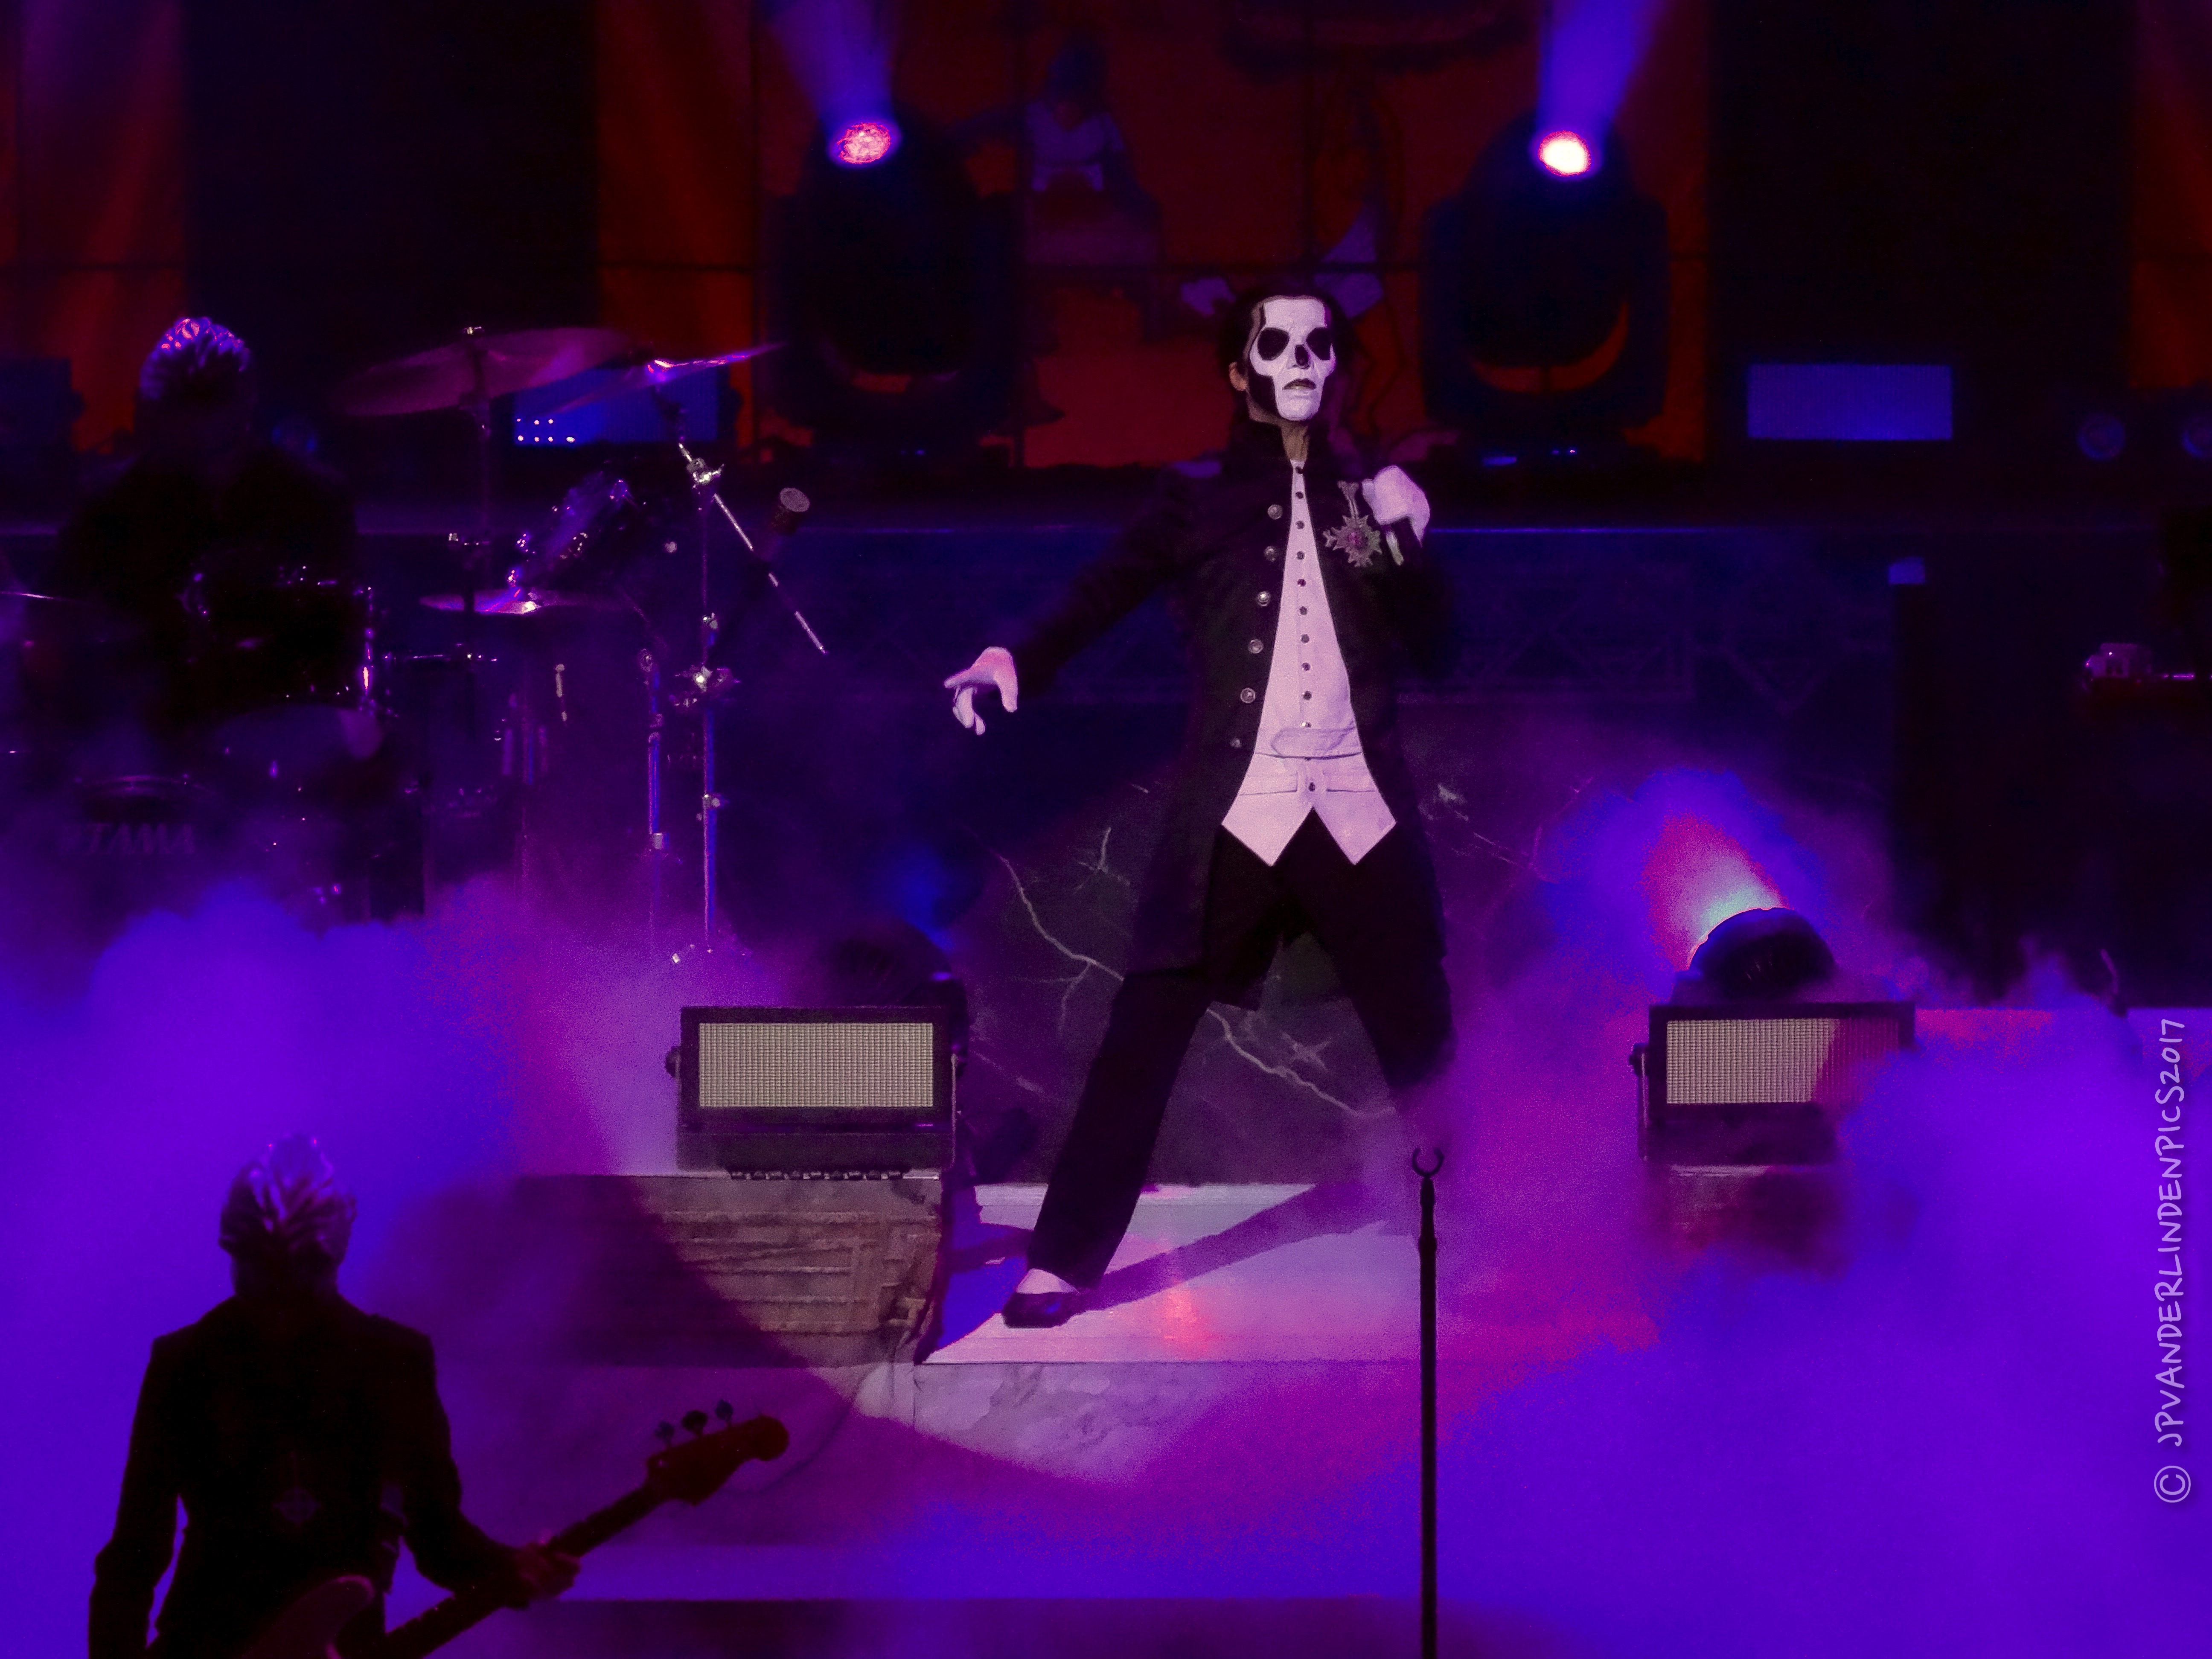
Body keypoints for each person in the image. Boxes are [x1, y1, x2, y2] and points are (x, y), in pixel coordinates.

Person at [943, 281, 1458, 1328]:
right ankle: (1065, 1258)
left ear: (1338, 367)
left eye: (1320, 344)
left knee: (1422, 1031)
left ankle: (1482, 1217)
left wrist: (1411, 541)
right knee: (1145, 1029)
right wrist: (1017, 657)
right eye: (1277, 344)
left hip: (1358, 808)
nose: (1302, 361)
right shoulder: (1195, 499)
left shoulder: (1370, 501)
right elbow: (1102, 591)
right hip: (1236, 810)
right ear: (1238, 370)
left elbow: (1438, 649)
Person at [89, 1137, 576, 1659]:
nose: (277, 1298)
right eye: (259, 1270)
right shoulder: (186, 1363)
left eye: (295, 1274)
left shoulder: (393, 1362)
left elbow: (437, 1536)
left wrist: (511, 1569)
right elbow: (136, 1552)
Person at [43, 318, 358, 765]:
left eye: (208, 399)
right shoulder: (110, 504)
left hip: (282, 733)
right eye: (181, 402)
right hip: (142, 737)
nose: (195, 421)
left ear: (246, 399)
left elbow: (343, 635)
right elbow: (54, 617)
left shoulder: (314, 499)